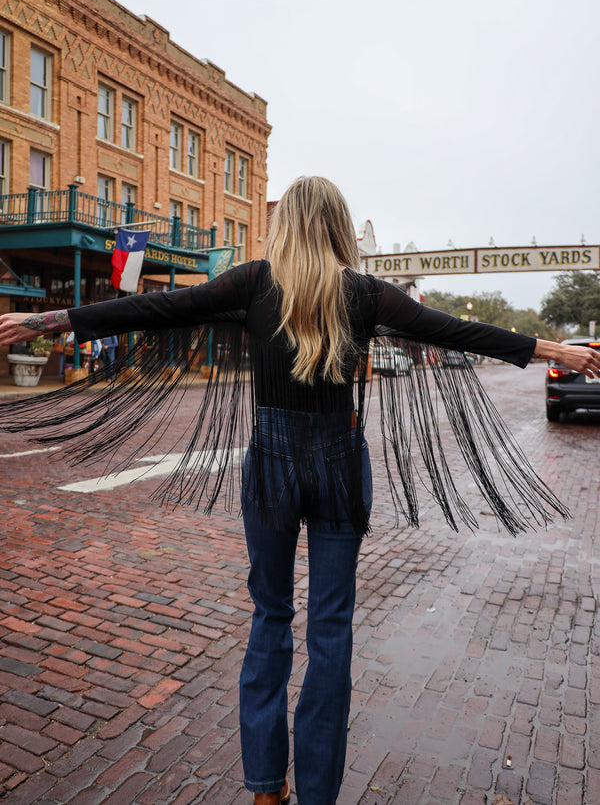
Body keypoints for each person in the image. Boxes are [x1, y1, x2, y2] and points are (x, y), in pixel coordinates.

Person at [0, 176, 598, 805]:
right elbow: (454, 331)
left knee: (270, 618)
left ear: (284, 227)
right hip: (339, 463)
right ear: (340, 227)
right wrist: (551, 348)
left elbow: (161, 308)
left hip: (273, 463)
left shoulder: (254, 283)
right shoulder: (365, 294)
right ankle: (316, 793)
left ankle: (264, 788)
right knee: (330, 629)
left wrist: (47, 318)